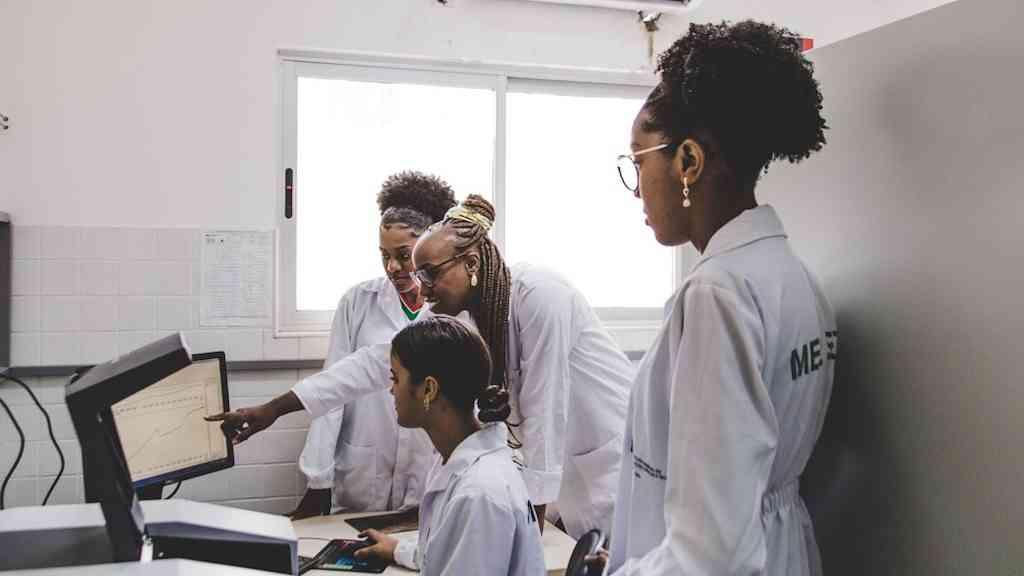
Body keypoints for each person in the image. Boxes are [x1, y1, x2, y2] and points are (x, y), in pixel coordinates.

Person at [208, 196, 634, 540]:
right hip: (562, 477)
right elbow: (374, 363)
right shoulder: (460, 311)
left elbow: (545, 409)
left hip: (613, 462)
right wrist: (273, 409)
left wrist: (527, 535)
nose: (421, 288)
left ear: (471, 264)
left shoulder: (540, 295)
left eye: (429, 274)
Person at [591, 21, 836, 575]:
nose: (637, 187)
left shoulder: (717, 294)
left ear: (688, 162)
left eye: (638, 160)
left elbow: (708, 554)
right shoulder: (792, 275)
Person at [290, 171, 455, 519]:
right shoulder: (358, 302)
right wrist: (317, 479)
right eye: (384, 255)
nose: (393, 267)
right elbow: (333, 389)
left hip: (426, 473)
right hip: (363, 473)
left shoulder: (452, 307)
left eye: (404, 255)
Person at [353, 316, 546, 576]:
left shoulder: (478, 494)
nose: (391, 390)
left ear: (428, 389)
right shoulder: (455, 460)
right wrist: (398, 549)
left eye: (395, 378)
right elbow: (448, 553)